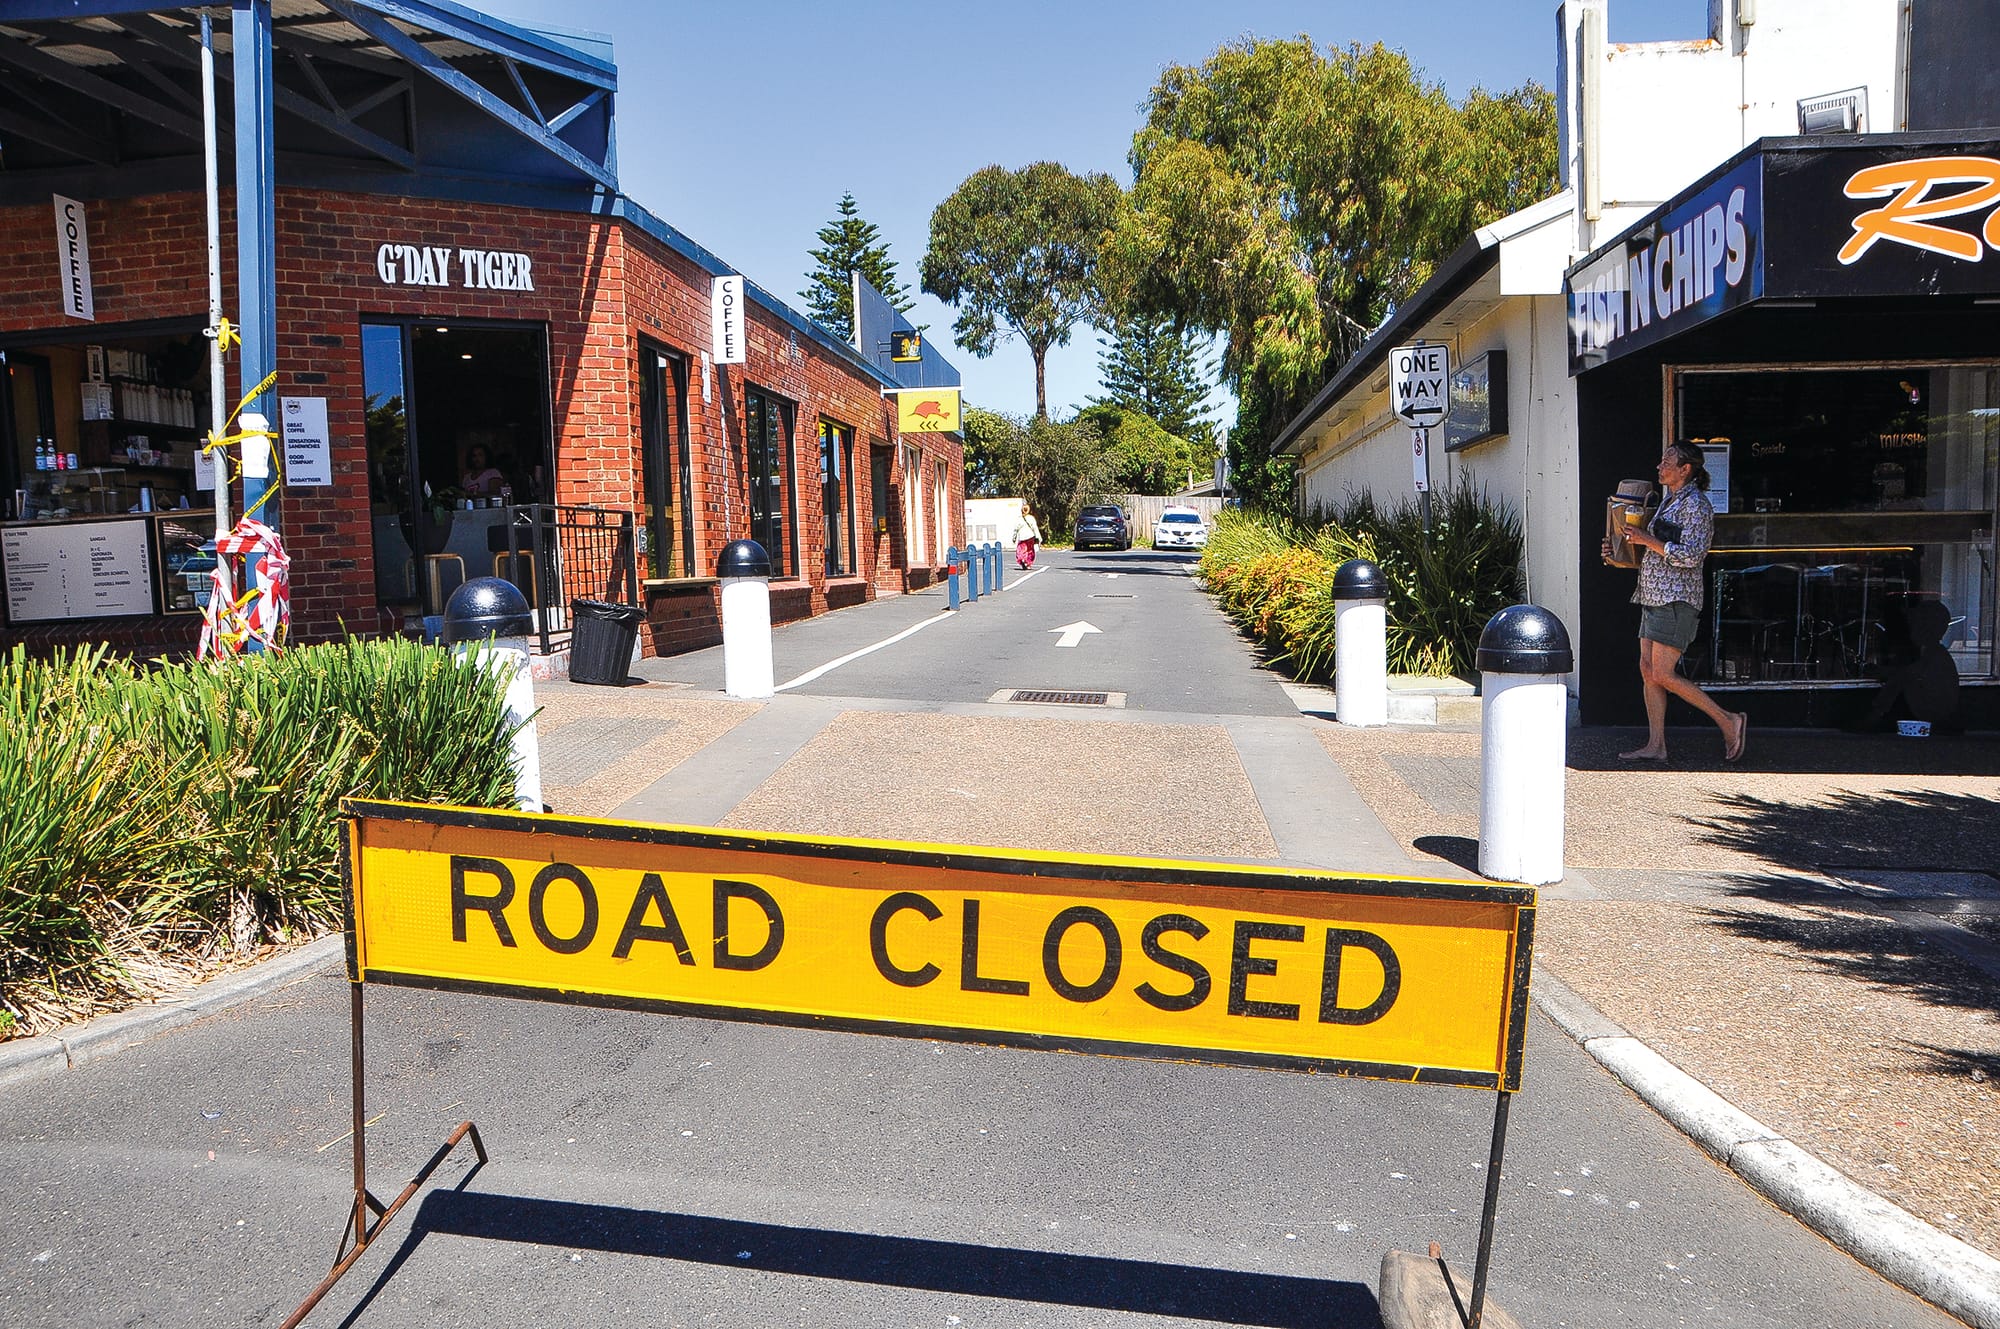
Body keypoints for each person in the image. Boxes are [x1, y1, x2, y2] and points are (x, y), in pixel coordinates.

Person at [1600, 441, 1748, 763]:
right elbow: (1656, 553)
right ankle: (1656, 745)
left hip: (1676, 599)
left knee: (1663, 674)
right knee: (1648, 670)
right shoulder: (1669, 501)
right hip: (1653, 595)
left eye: (1667, 460)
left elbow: (1692, 556)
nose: (1659, 465)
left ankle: (1729, 720)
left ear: (1686, 469)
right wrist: (1619, 555)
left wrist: (1647, 540)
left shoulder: (1696, 505)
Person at [1012, 504, 1042, 569]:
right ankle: (1028, 563)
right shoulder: (1031, 518)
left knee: (1021, 550)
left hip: (1022, 537)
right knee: (1030, 550)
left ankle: (1022, 559)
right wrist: (1039, 537)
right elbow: (1035, 528)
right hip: (1031, 536)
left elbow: (1015, 529)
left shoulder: (1019, 519)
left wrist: (1014, 538)